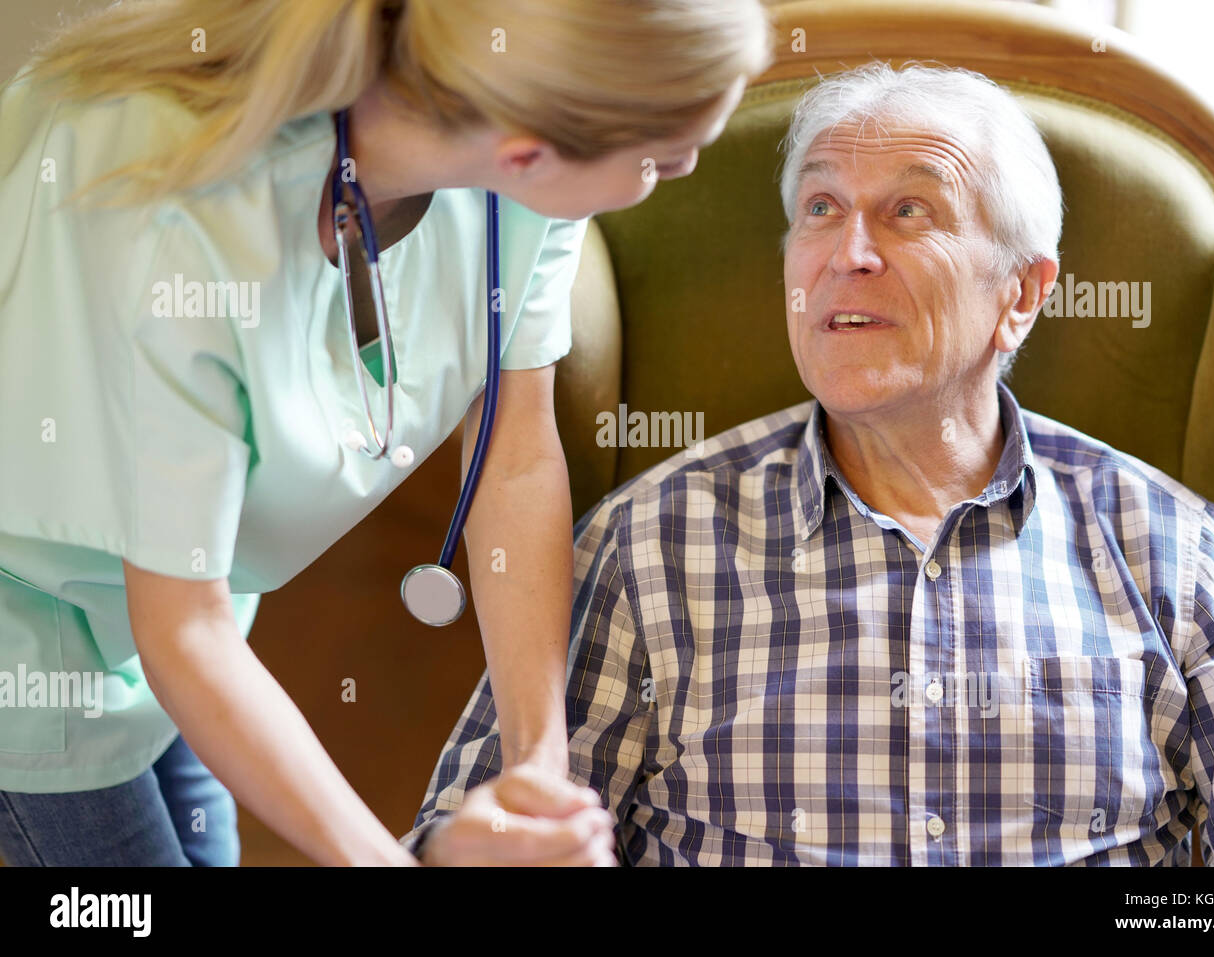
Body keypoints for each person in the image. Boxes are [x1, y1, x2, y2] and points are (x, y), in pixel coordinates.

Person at [404, 62, 1214, 866]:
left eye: (910, 210)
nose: (849, 254)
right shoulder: (650, 548)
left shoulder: (1186, 565)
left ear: (1020, 294)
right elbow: (461, 841)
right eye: (821, 210)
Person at [0, 0, 772, 866]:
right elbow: (185, 626)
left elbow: (513, 457)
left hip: (168, 603)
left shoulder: (517, 170)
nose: (684, 172)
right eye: (664, 160)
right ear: (529, 151)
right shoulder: (190, 226)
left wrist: (540, 766)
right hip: (31, 625)